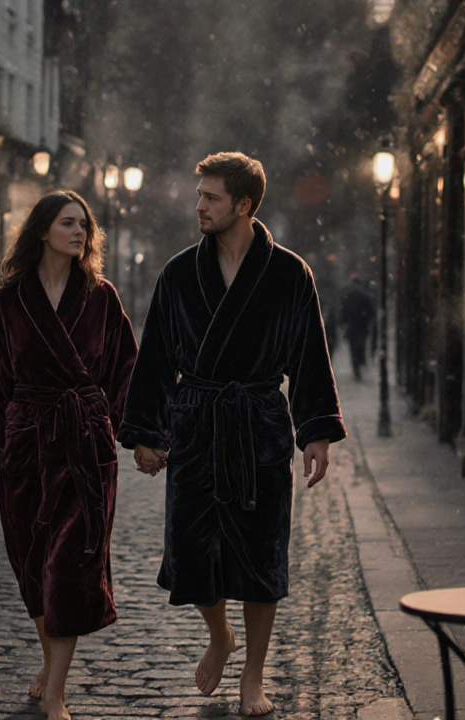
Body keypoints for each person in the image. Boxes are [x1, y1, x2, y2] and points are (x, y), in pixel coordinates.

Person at [118, 152, 346, 717]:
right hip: (196, 424)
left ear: (243, 205)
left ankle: (253, 675)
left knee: (260, 557)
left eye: (211, 197)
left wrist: (315, 430)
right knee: (192, 554)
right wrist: (147, 430)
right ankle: (220, 635)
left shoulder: (289, 273)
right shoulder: (177, 274)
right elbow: (153, 359)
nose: (199, 206)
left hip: (258, 425)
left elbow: (310, 356)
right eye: (199, 195)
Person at [0, 190, 137, 720]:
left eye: (84, 224)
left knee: (69, 567)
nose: (80, 232)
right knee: (34, 568)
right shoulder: (9, 304)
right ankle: (49, 661)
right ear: (43, 231)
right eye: (68, 223)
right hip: (26, 447)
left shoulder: (101, 298)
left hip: (86, 448)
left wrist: (143, 436)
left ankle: (56, 689)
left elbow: (127, 371)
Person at [338, 274, 377, 380]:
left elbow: (343, 310)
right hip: (362, 325)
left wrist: (343, 322)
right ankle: (360, 362)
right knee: (361, 345)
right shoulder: (365, 295)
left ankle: (356, 365)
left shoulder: (348, 295)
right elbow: (371, 311)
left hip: (352, 325)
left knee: (353, 346)